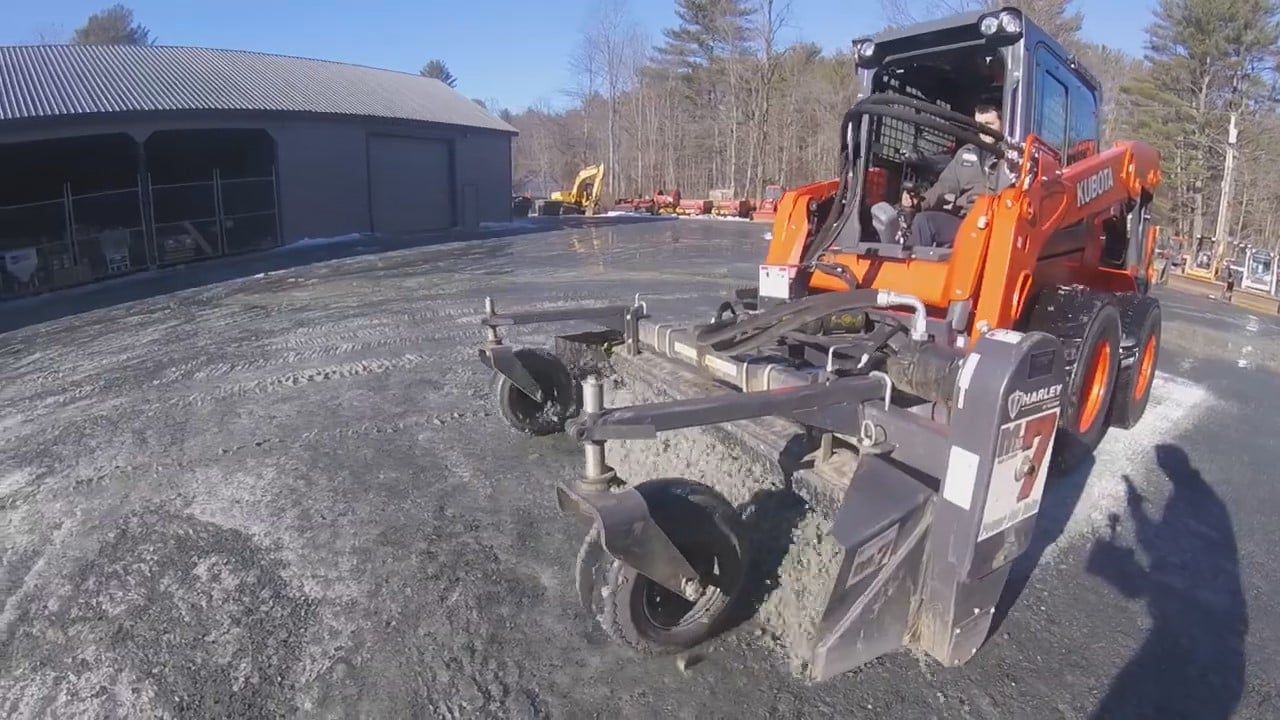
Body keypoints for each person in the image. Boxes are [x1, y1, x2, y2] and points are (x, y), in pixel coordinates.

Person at [900, 104, 1012, 247]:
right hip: (965, 221)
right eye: (980, 125)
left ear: (1003, 124)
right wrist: (920, 202)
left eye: (989, 124)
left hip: (998, 226)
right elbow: (944, 186)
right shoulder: (965, 154)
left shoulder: (1012, 159)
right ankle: (911, 266)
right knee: (923, 222)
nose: (984, 131)